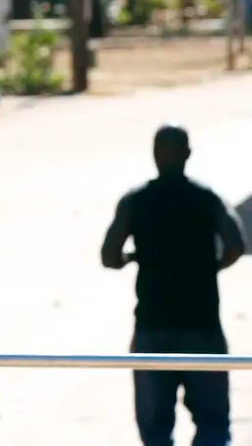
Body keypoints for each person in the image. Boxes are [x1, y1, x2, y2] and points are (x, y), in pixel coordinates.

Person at [101, 124, 245, 446]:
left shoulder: (136, 201)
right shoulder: (207, 198)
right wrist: (212, 266)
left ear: (154, 155)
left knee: (155, 430)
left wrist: (130, 258)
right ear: (188, 154)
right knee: (212, 424)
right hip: (202, 327)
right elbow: (236, 244)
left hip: (152, 328)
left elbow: (109, 256)